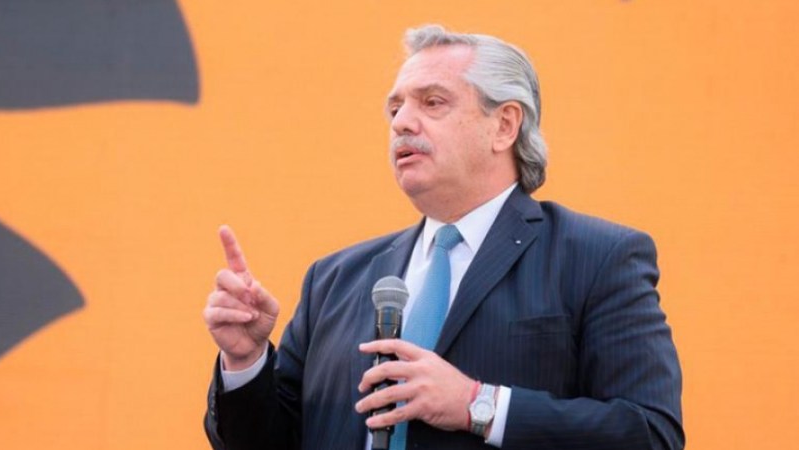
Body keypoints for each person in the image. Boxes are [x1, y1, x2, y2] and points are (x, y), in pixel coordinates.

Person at [202, 24, 683, 450]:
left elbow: (650, 434)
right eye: (395, 108)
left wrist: (477, 404)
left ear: (504, 125)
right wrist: (246, 361)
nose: (401, 123)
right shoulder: (332, 279)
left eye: (432, 102)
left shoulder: (597, 257)